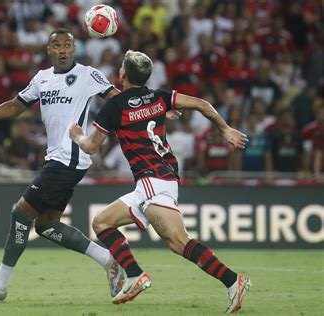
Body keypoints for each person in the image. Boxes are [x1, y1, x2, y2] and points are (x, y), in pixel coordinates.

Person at [69, 50, 251, 312]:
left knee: (178, 242)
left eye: (121, 66)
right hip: (153, 180)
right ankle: (134, 274)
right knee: (102, 222)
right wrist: (225, 129)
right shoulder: (159, 98)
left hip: (155, 180)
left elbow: (90, 147)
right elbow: (202, 104)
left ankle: (234, 281)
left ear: (123, 74)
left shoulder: (115, 106)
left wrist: (76, 135)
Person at [0, 29, 129, 303]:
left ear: (74, 49)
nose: (62, 49)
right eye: (57, 45)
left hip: (69, 158)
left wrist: (157, 108)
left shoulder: (88, 75)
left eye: (67, 45)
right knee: (47, 225)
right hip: (58, 159)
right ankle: (110, 260)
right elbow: (16, 106)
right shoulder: (42, 78)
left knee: (20, 213)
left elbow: (119, 99)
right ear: (48, 50)